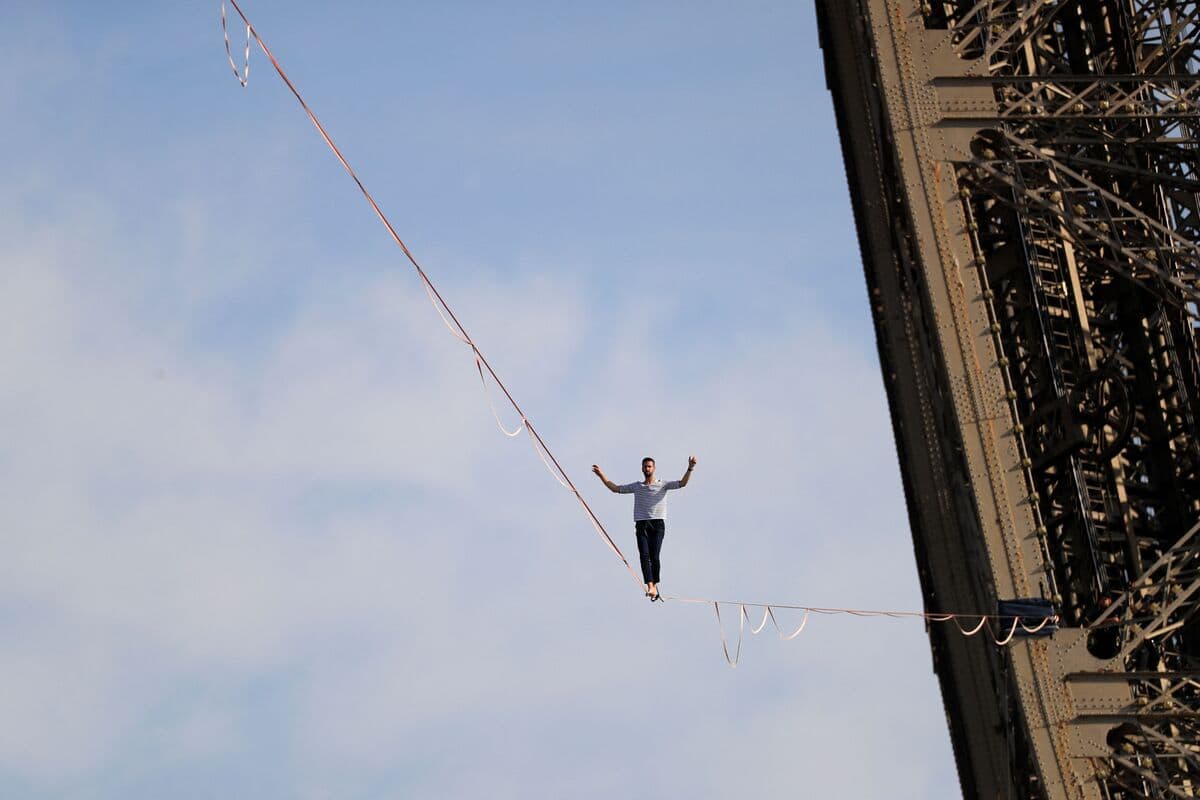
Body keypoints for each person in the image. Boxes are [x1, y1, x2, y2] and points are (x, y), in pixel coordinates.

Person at [591, 455, 697, 601]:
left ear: (654, 468)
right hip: (641, 524)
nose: (647, 468)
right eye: (645, 466)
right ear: (642, 469)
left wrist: (690, 468)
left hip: (657, 524)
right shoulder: (637, 486)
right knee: (644, 556)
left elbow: (682, 483)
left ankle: (655, 584)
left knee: (654, 556)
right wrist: (601, 475)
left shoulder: (663, 484)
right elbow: (615, 488)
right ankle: (650, 586)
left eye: (649, 466)